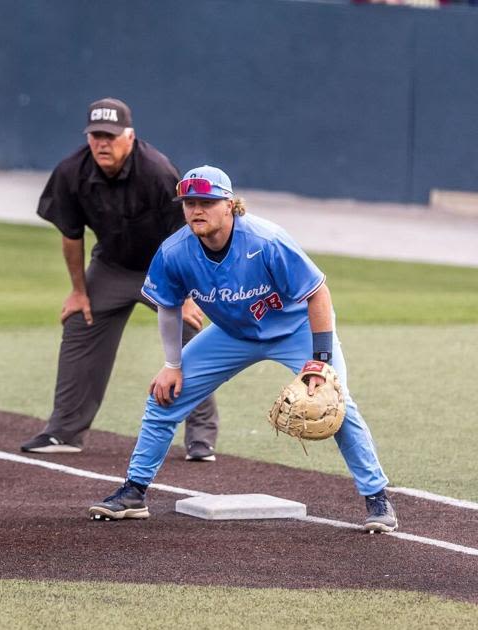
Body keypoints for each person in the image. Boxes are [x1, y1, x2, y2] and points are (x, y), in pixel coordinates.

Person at [87, 165, 398, 533]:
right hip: (232, 333)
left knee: (335, 401)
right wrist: (172, 364)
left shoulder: (266, 241)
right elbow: (169, 306)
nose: (196, 209)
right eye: (189, 202)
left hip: (293, 329)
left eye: (206, 201)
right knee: (164, 397)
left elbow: (318, 293)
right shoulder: (175, 252)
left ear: (230, 205)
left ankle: (377, 497)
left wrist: (321, 361)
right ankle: (134, 493)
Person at [21, 98, 220, 461]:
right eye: (96, 135)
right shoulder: (72, 172)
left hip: (164, 268)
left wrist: (191, 295)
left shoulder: (158, 172)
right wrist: (79, 292)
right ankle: (64, 431)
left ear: (129, 136)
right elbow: (71, 234)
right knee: (80, 321)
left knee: (190, 335)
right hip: (112, 266)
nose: (102, 143)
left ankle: (200, 438)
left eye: (110, 136)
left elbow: (189, 233)